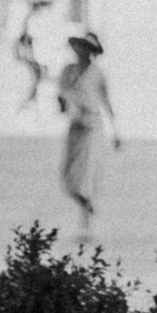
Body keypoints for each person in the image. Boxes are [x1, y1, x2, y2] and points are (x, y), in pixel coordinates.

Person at [55, 32, 115, 227]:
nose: (81, 52)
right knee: (68, 176)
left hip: (92, 125)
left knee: (86, 173)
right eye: (79, 48)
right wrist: (63, 101)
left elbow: (106, 102)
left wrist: (115, 131)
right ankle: (83, 204)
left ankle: (85, 218)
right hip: (75, 126)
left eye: (86, 49)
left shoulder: (97, 73)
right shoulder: (68, 71)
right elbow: (62, 99)